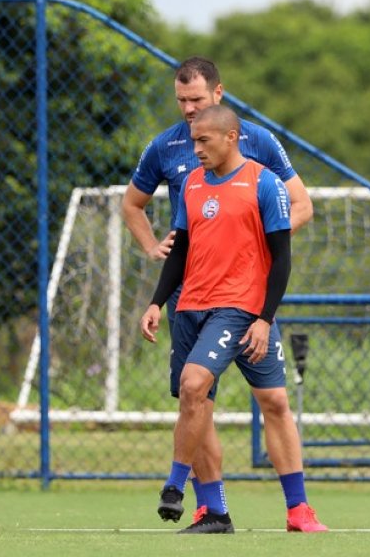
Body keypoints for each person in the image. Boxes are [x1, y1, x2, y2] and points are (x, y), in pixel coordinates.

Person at [123, 57, 324, 532]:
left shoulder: (258, 149)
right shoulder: (173, 153)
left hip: (245, 299)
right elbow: (140, 208)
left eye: (196, 100)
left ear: (218, 95)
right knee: (197, 399)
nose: (189, 111)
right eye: (181, 101)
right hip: (192, 297)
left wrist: (247, 243)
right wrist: (154, 253)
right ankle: (211, 508)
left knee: (272, 400)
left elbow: (299, 207)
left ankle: (299, 508)